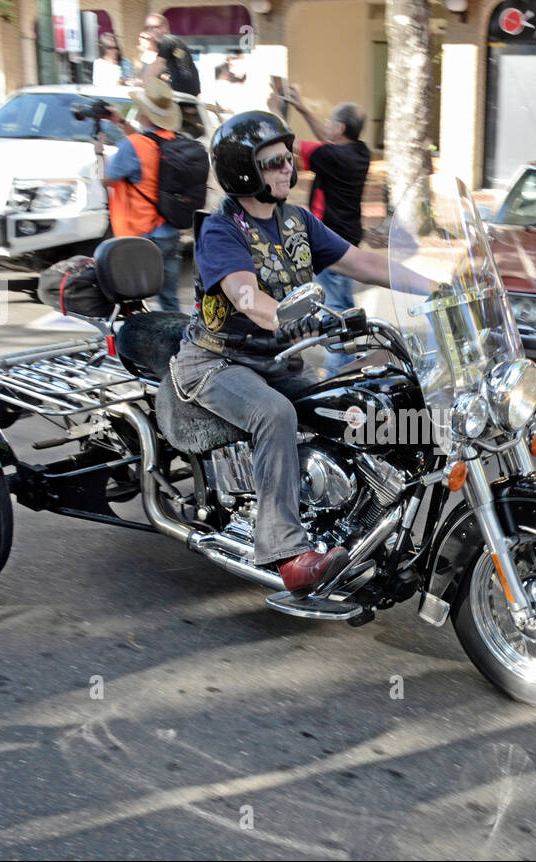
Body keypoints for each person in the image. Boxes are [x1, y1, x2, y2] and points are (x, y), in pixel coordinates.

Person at [169, 111, 406, 597]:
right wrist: (291, 316)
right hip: (218, 362)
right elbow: (247, 298)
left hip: (279, 359)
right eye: (273, 162)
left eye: (288, 158)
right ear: (243, 171)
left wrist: (443, 286)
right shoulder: (221, 230)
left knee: (359, 400)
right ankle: (286, 552)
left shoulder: (295, 220)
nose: (287, 169)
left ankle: (357, 515)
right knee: (274, 414)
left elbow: (359, 261)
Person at [285, 87, 371, 374]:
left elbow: (288, 144)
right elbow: (326, 141)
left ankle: (341, 370)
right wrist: (303, 108)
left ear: (341, 128)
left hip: (330, 242)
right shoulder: (359, 152)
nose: (328, 125)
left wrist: (276, 110)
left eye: (332, 121)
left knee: (337, 308)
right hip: (347, 237)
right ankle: (353, 360)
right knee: (341, 300)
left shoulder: (332, 157)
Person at [100, 79, 184, 311]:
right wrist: (120, 123)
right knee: (169, 301)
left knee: (132, 301)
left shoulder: (132, 145)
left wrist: (98, 154)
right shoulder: (173, 140)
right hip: (170, 233)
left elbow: (104, 179)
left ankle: (138, 344)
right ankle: (176, 344)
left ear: (144, 113)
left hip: (140, 235)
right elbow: (147, 143)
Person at [142, 12, 201, 96]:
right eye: (148, 28)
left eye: (155, 27)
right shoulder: (171, 41)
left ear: (165, 27)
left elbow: (159, 65)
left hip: (182, 96)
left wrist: (144, 85)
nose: (151, 31)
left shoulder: (168, 40)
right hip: (186, 94)